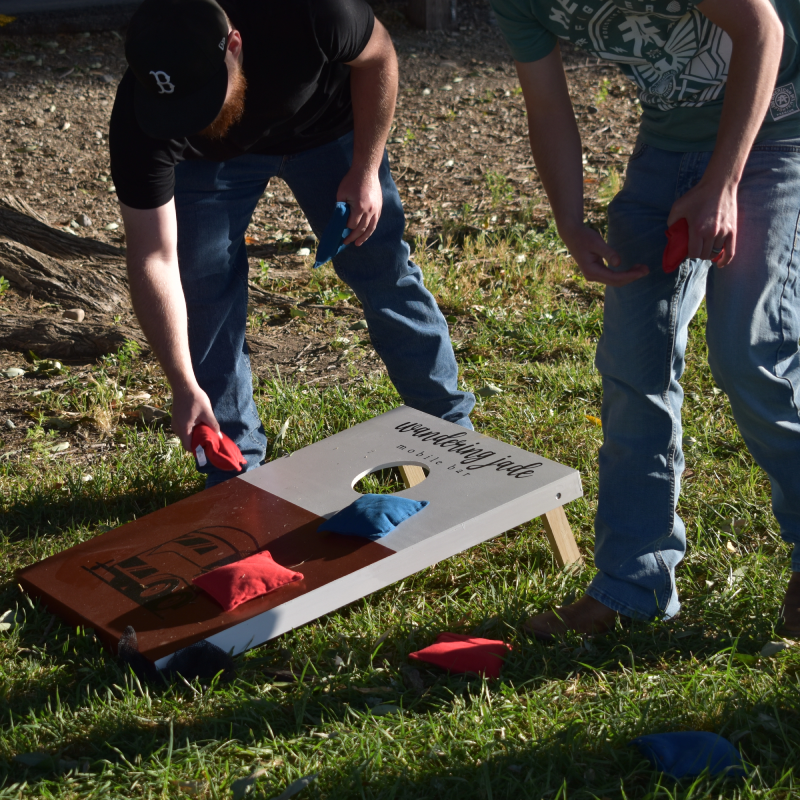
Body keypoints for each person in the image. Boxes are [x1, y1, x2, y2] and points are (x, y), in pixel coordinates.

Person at [489, 0, 800, 637]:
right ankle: (633, 588)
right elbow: (547, 104)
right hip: (667, 151)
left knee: (752, 353)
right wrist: (570, 219)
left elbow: (762, 28)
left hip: (776, 134)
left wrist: (723, 181)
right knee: (635, 362)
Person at [109, 0, 475, 487]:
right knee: (203, 289)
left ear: (234, 45)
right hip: (209, 165)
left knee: (381, 265)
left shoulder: (309, 11)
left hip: (327, 128)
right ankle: (234, 471)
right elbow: (156, 258)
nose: (191, 117)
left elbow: (379, 55)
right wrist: (182, 383)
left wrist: (365, 170)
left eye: (202, 99)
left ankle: (451, 433)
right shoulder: (143, 121)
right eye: (177, 110)